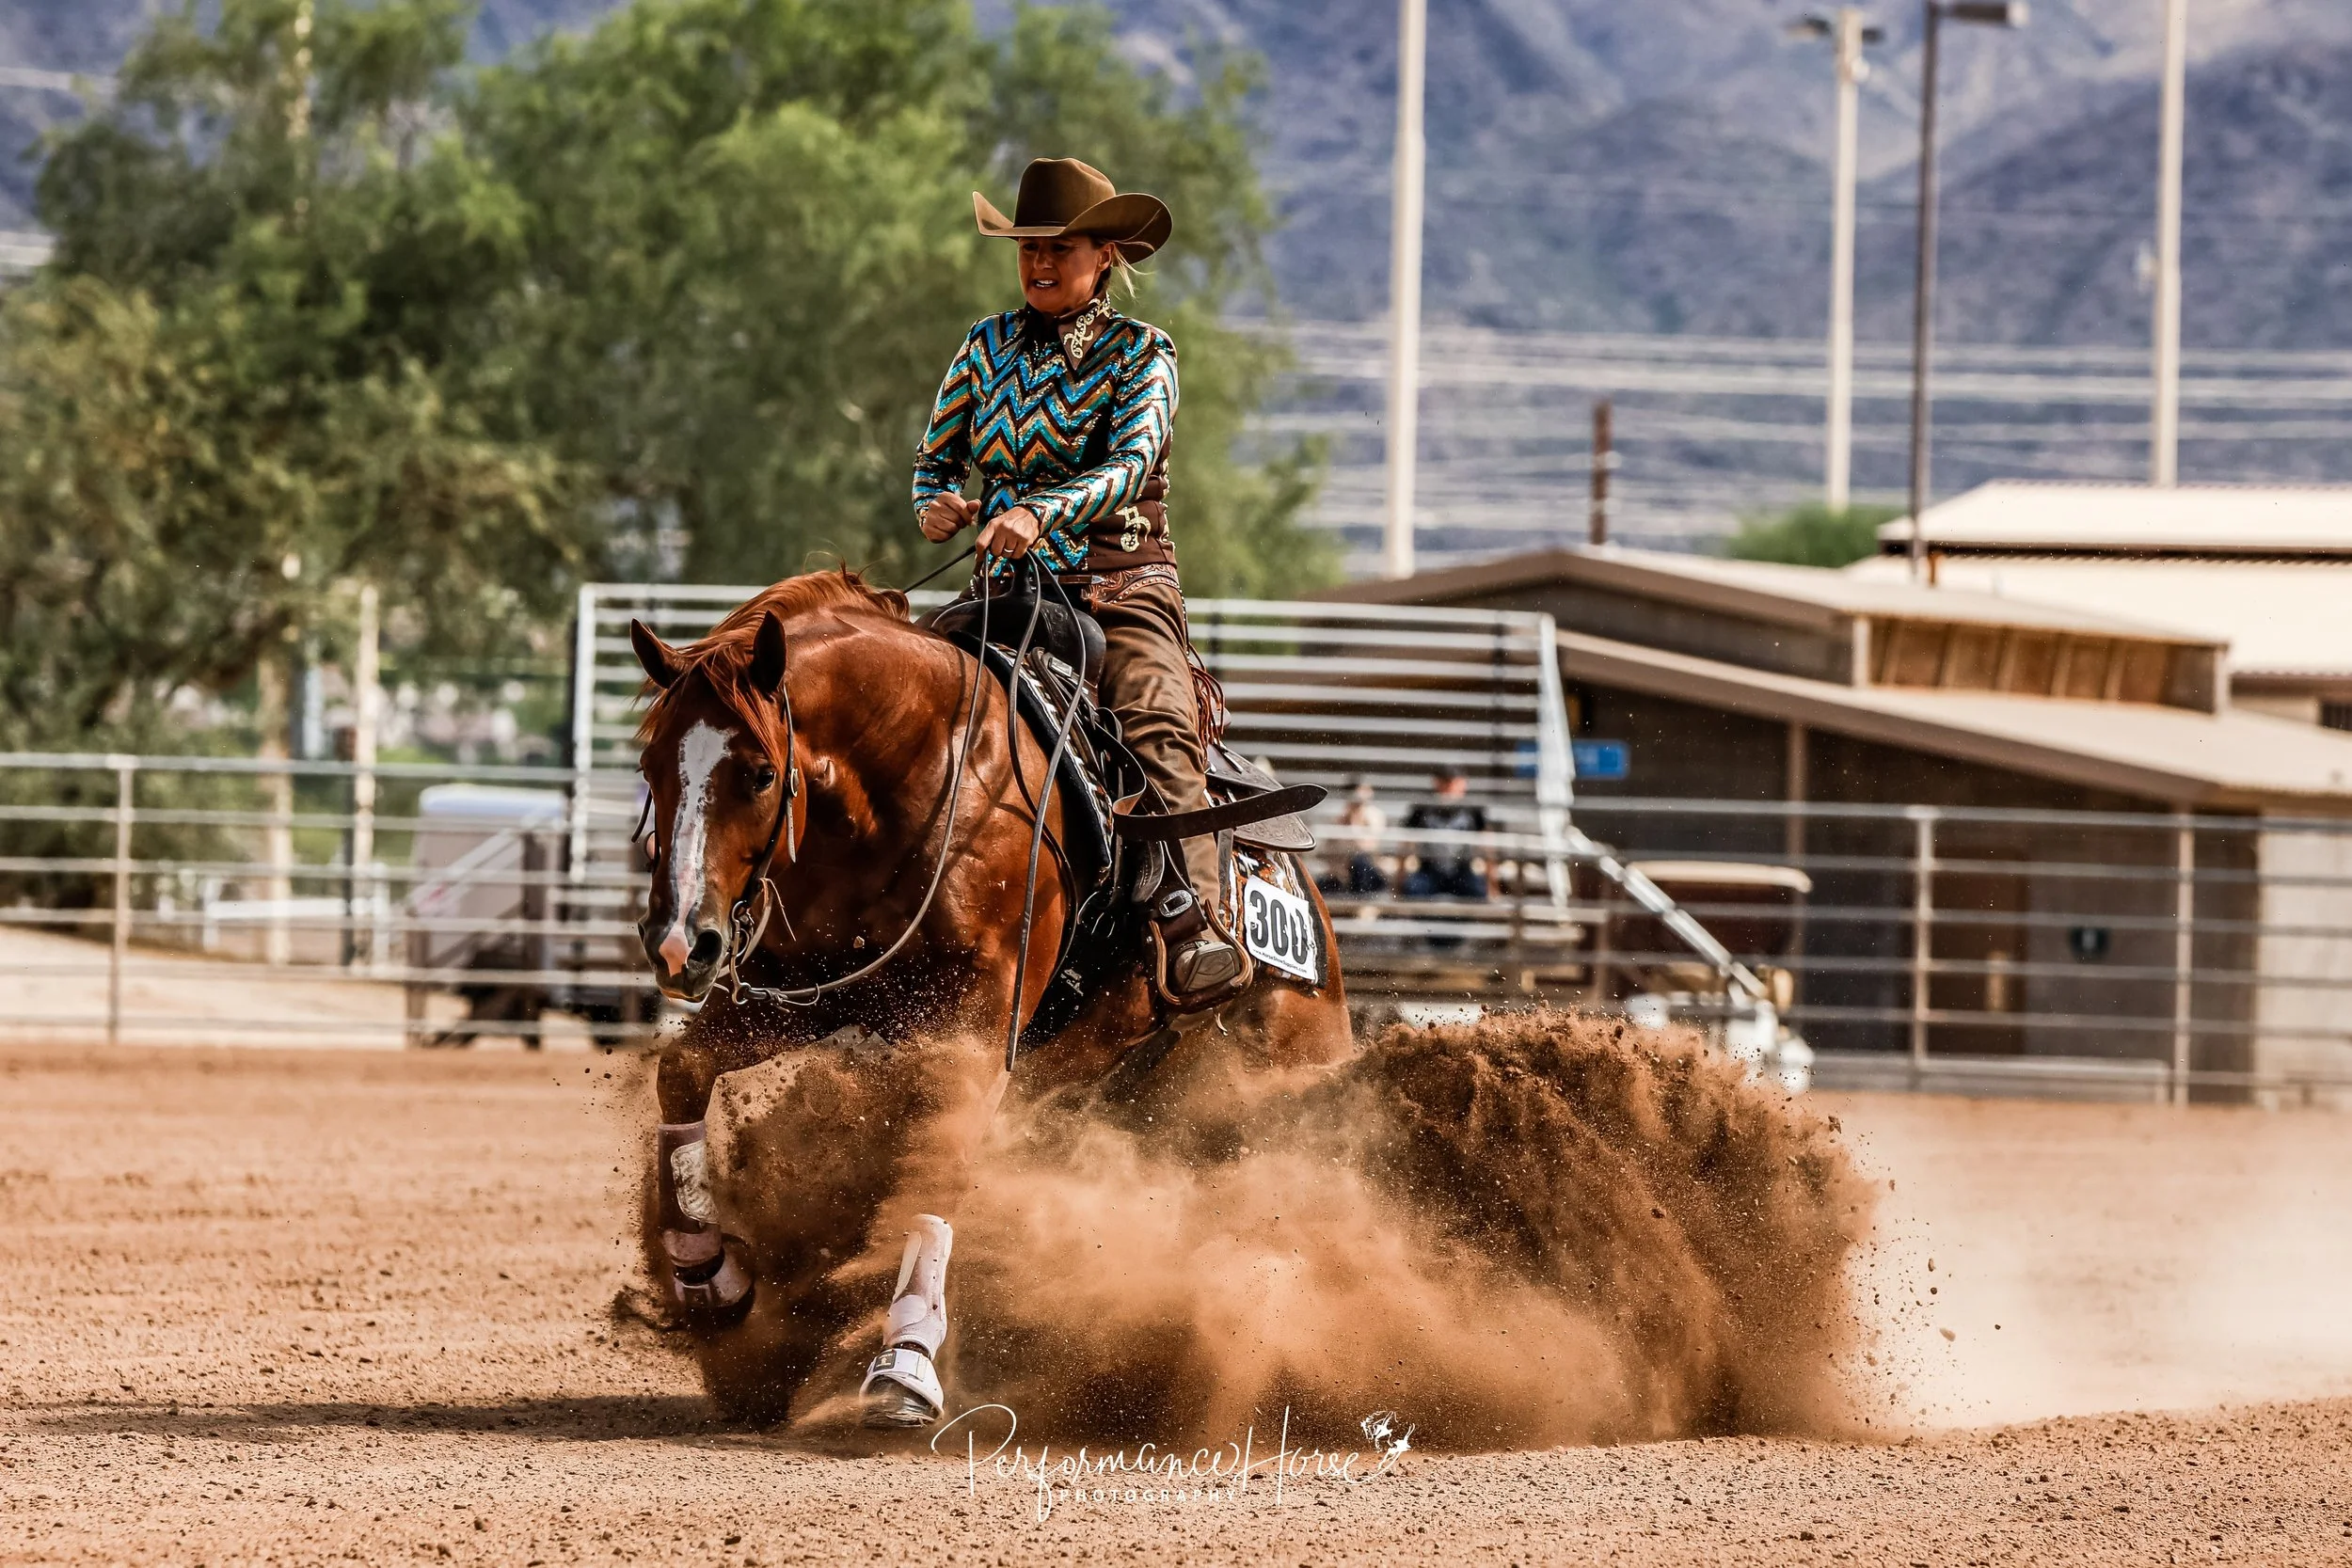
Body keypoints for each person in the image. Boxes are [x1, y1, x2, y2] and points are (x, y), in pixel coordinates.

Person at [911, 157, 1242, 1006]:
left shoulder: (1145, 354)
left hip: (1119, 589)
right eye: (1028, 245)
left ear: (1107, 255)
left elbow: (1132, 465)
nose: (1039, 262)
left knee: (1155, 723)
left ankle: (1196, 925)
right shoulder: (984, 344)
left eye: (1061, 246)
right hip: (1005, 594)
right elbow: (935, 454)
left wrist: (1040, 514)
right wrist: (935, 502)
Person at [1402, 766, 1489, 900]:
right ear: (1437, 783)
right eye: (1447, 782)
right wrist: (1398, 881)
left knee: (1478, 891)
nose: (1451, 788)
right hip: (1429, 871)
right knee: (1413, 889)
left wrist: (1492, 884)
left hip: (1462, 872)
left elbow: (1488, 846)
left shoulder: (1473, 810)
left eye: (1455, 782)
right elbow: (1405, 844)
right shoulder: (1422, 807)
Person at [1316, 777, 1390, 896]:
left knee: (1360, 864)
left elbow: (1369, 847)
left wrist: (1354, 823)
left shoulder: (1374, 816)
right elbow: (1327, 849)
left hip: (1367, 868)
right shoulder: (1338, 817)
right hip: (1340, 869)